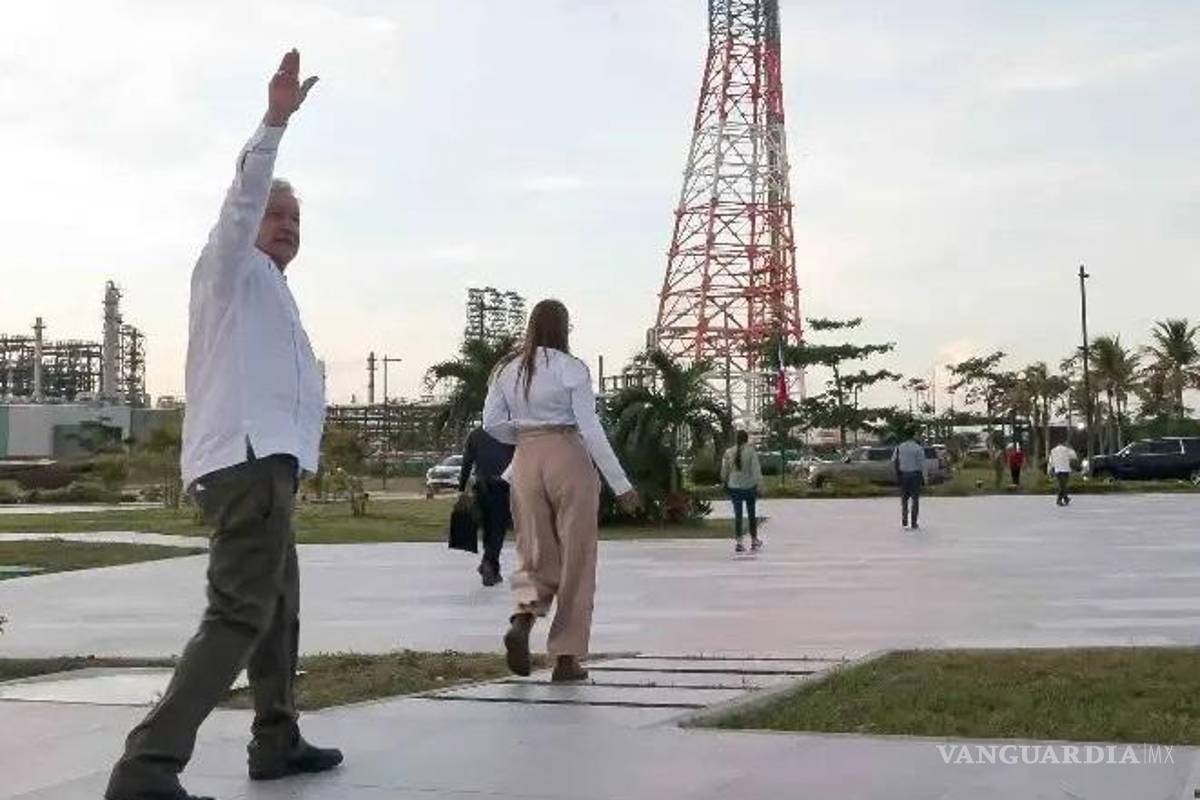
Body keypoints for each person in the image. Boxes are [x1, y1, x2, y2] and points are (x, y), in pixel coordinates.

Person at [106, 50, 342, 800]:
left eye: (296, 219)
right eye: (276, 215)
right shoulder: (228, 268)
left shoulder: (273, 293)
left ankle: (277, 738)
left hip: (270, 468)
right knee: (239, 614)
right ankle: (146, 768)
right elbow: (241, 199)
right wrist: (274, 122)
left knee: (278, 609)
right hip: (246, 466)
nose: (285, 227)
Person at [483, 299, 640, 683]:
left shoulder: (506, 369)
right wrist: (620, 484)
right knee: (577, 558)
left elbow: (490, 423)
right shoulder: (572, 368)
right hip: (567, 456)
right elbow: (590, 428)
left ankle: (522, 620)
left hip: (525, 460)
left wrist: (525, 435)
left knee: (533, 551)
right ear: (566, 328)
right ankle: (566, 659)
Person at [458, 426, 515, 586]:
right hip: (502, 486)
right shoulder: (510, 433)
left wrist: (462, 488)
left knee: (488, 527)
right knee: (498, 528)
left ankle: (491, 566)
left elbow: (467, 461)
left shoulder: (475, 435)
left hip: (481, 486)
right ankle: (489, 563)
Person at [720, 430, 763, 553]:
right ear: (747, 439)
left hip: (734, 486)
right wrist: (760, 484)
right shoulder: (751, 452)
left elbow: (724, 470)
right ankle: (754, 540)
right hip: (749, 486)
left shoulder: (729, 452)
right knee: (751, 514)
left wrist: (724, 481)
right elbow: (756, 470)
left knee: (738, 515)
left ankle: (739, 542)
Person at [893, 430, 926, 530]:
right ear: (913, 436)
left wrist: (897, 474)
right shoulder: (918, 448)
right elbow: (922, 464)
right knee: (915, 500)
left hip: (903, 475)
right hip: (915, 475)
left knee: (904, 500)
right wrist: (924, 478)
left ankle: (904, 521)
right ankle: (914, 522)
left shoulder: (899, 447)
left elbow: (895, 461)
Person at [1048, 440, 1078, 506]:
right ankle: (1059, 500)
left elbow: (1051, 460)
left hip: (1057, 469)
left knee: (1062, 485)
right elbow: (1074, 456)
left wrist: (1050, 469)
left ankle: (1065, 498)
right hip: (1065, 469)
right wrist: (1071, 448)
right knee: (1063, 485)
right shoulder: (1066, 450)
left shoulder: (1053, 450)